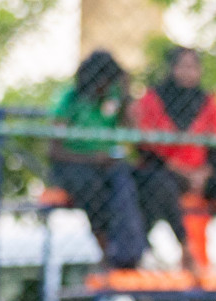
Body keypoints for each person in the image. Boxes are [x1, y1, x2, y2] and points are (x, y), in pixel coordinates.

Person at [131, 47, 216, 272]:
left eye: (193, 67)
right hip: (167, 171)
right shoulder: (153, 98)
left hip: (202, 173)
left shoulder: (207, 100)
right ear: (172, 69)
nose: (188, 72)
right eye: (183, 66)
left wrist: (206, 171)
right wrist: (180, 170)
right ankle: (185, 249)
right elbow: (145, 147)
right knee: (161, 185)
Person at [48, 50, 146, 270]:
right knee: (90, 186)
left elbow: (134, 132)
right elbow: (54, 151)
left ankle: (131, 253)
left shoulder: (114, 98)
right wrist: (91, 158)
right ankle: (105, 251)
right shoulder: (70, 99)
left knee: (127, 181)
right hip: (73, 165)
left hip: (107, 165)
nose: (105, 88)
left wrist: (126, 93)